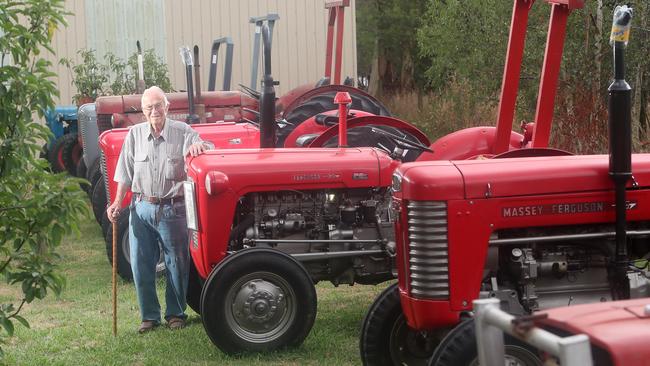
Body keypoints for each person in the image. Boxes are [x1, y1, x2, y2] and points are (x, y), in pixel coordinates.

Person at [106, 86, 211, 333]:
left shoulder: (182, 132)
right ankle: (149, 317)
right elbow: (125, 174)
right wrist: (116, 203)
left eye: (158, 105)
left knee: (177, 264)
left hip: (172, 211)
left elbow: (205, 144)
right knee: (140, 265)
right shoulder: (134, 135)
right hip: (140, 209)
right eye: (149, 107)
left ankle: (176, 313)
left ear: (167, 107)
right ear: (143, 111)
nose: (154, 111)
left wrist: (200, 147)